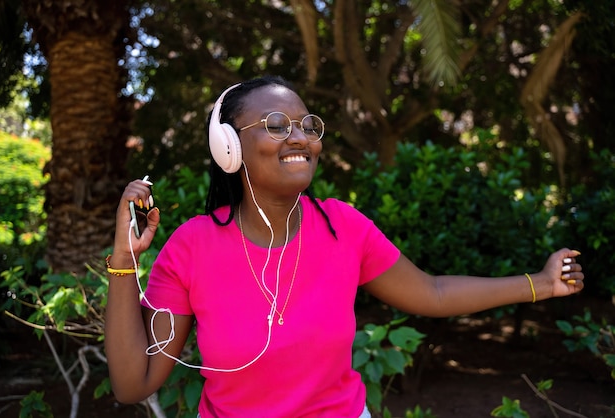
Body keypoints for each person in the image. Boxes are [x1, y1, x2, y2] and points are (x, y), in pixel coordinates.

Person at [104, 75, 584, 417]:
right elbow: (133, 384)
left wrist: (538, 284)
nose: (300, 138)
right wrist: (124, 263)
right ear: (228, 147)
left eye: (307, 125)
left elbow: (433, 293)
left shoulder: (342, 226)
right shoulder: (192, 247)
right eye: (275, 125)